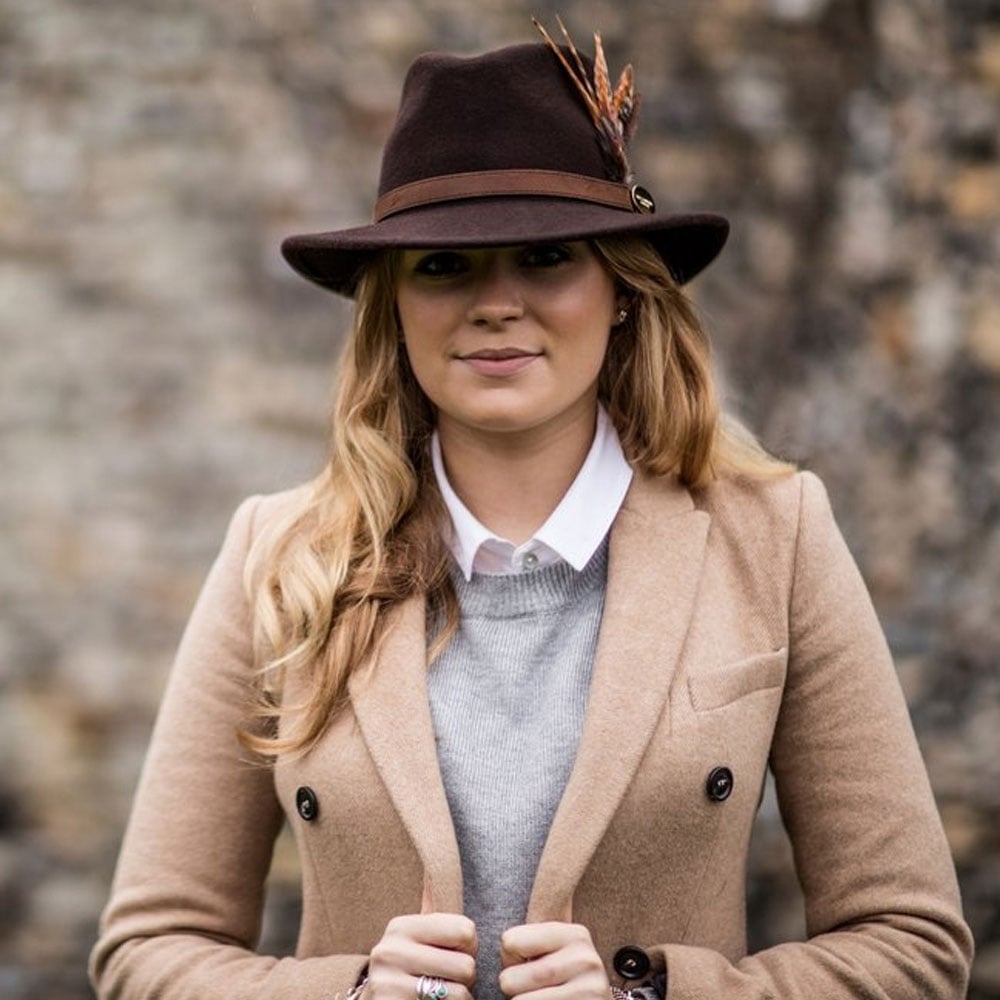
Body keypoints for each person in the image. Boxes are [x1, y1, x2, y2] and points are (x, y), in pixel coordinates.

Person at [89, 22, 973, 1000]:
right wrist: (340, 992)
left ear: (624, 292)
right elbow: (148, 947)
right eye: (443, 265)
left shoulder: (775, 537)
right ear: (391, 303)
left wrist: (653, 996)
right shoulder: (282, 555)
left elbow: (910, 942)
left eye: (546, 256)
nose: (497, 302)